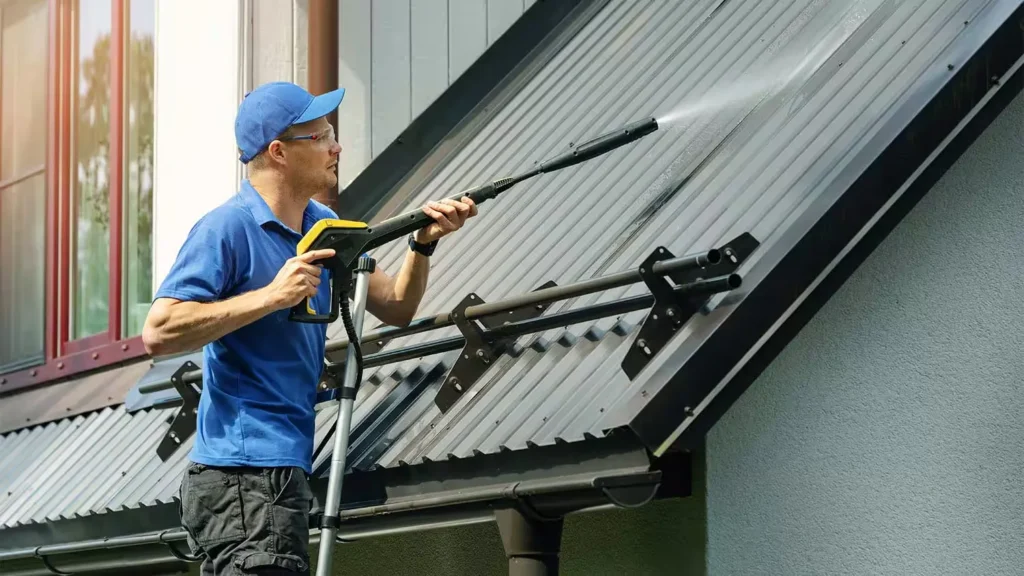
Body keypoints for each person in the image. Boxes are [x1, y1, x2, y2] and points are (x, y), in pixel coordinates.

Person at [142, 81, 477, 575]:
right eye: (320, 137)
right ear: (278, 152)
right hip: (242, 473)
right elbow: (160, 331)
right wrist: (272, 296)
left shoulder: (322, 224)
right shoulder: (226, 229)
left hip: (279, 469)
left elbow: (397, 306)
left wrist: (422, 245)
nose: (336, 146)